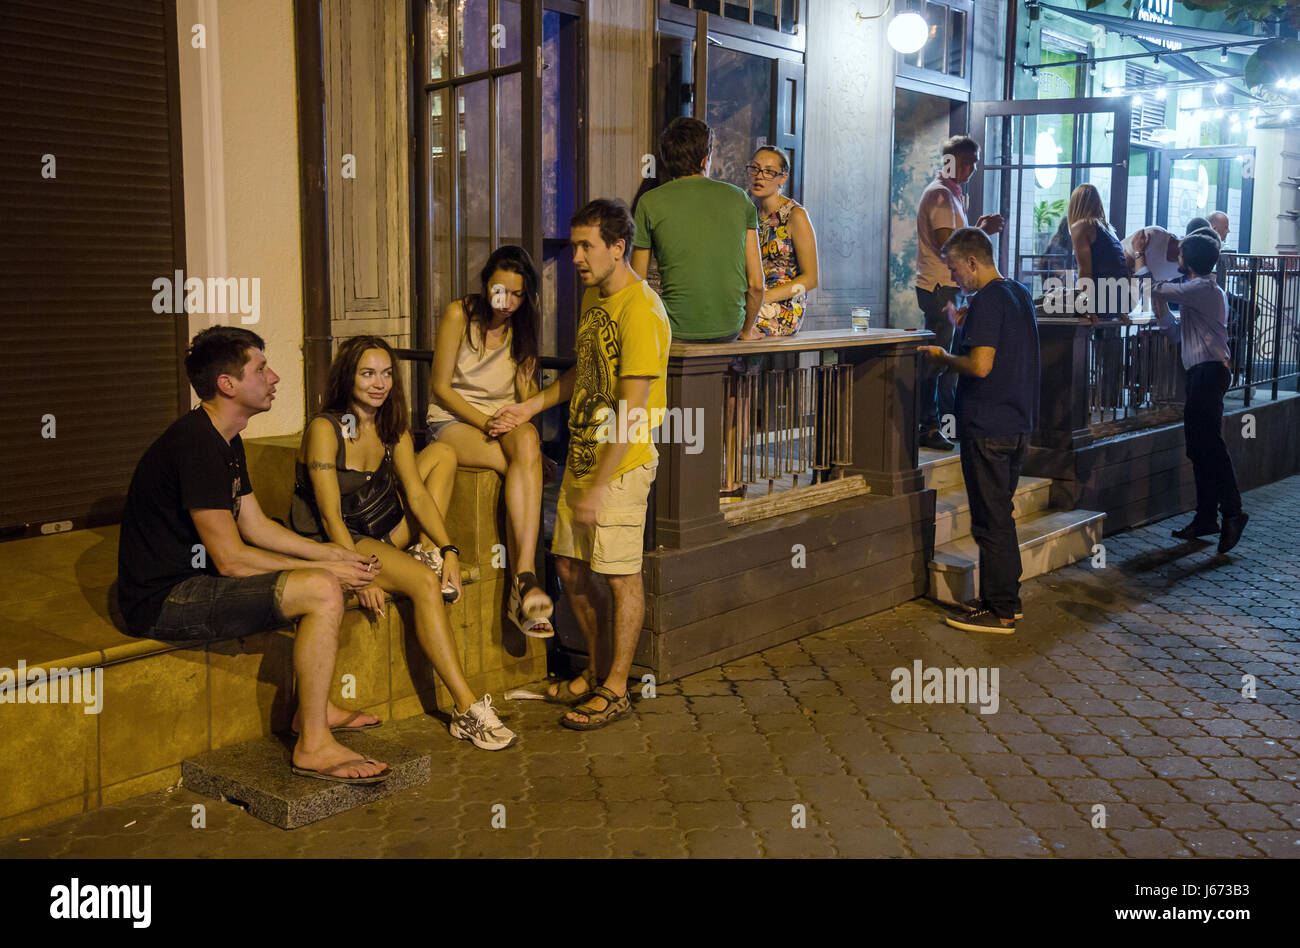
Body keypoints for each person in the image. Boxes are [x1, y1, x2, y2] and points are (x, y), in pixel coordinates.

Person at [117, 327, 390, 785]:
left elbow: (256, 525)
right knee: (322, 590)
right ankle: (314, 745)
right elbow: (232, 560)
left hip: (201, 580)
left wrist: (331, 552)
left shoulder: (226, 436)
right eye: (260, 369)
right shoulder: (196, 445)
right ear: (228, 384)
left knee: (327, 574)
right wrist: (325, 569)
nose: (274, 377)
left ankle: (314, 709)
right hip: (166, 598)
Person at [488, 198, 670, 730]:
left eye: (587, 245)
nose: (576, 257)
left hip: (622, 463)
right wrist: (530, 405)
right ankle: (594, 671)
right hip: (583, 457)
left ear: (619, 247)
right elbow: (582, 374)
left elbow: (633, 408)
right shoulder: (595, 297)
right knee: (569, 567)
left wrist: (599, 485)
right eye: (574, 245)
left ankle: (617, 688)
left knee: (620, 577)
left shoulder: (642, 310)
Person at [291, 335, 518, 750]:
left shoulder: (391, 427)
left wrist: (448, 548)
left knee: (443, 454)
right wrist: (360, 577)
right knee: (425, 585)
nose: (379, 383)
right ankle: (466, 709)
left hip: (380, 531)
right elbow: (329, 517)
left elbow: (416, 494)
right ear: (348, 377)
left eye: (386, 374)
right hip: (338, 539)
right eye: (367, 373)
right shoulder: (325, 429)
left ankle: (424, 555)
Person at [420, 246, 555, 638]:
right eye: (500, 292)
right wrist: (488, 423)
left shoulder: (523, 325)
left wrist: (521, 407)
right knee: (521, 463)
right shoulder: (458, 314)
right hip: (454, 419)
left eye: (517, 294)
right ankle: (524, 584)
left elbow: (524, 399)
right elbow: (440, 387)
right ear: (486, 285)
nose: (507, 302)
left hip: (503, 420)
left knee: (528, 442)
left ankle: (524, 576)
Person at [917, 228, 1039, 634]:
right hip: (1016, 421)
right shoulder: (1017, 293)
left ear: (972, 262)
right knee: (999, 513)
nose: (953, 278)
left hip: (988, 425)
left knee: (991, 519)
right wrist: (960, 324)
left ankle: (1000, 609)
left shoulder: (986, 300)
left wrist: (943, 356)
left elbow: (981, 366)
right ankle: (1006, 599)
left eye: (954, 268)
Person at [1141, 229, 1249, 553]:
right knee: (1200, 449)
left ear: (1189, 260)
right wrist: (1162, 314)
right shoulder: (1198, 290)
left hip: (1208, 374)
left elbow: (1157, 287)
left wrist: (1139, 258)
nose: (1177, 257)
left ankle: (1232, 512)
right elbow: (1176, 334)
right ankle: (1206, 518)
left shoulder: (1203, 289)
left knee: (1210, 447)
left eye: (1180, 253)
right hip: (1200, 375)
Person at [629, 116, 766, 342]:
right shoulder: (740, 199)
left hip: (672, 331)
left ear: (665, 158)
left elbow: (637, 284)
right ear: (705, 160)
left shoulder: (649, 202)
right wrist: (746, 330)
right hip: (729, 330)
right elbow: (757, 285)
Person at [914, 134, 1005, 452]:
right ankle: (927, 425)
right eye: (970, 161)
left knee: (948, 360)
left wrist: (977, 227)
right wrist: (981, 231)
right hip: (941, 289)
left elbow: (955, 242)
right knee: (938, 360)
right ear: (955, 162)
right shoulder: (940, 195)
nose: (974, 168)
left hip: (949, 288)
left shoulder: (951, 195)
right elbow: (948, 247)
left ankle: (945, 422)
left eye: (974, 161)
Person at [748, 145, 819, 337]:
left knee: (736, 329)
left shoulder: (795, 215)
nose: (759, 176)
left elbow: (811, 279)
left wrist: (763, 298)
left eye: (769, 172)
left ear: (783, 178)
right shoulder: (748, 213)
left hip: (784, 307)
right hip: (752, 299)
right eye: (755, 168)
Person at [1067, 183, 1130, 322]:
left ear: (1075, 205)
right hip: (1116, 303)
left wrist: (1084, 307)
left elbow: (1085, 271)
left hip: (1098, 302)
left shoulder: (1081, 226)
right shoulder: (1109, 230)